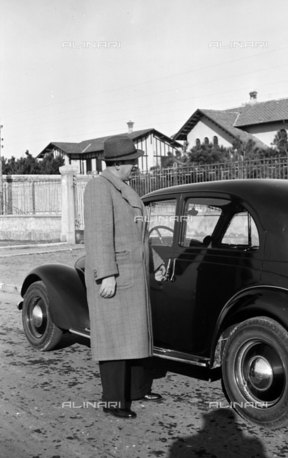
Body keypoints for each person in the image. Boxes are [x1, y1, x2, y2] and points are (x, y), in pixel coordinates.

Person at [84, 135, 165, 419]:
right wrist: (106, 274)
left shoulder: (121, 187)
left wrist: (154, 262)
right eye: (132, 161)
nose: (135, 166)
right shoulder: (99, 188)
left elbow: (139, 236)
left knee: (135, 334)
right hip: (115, 276)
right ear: (118, 163)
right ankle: (113, 400)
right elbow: (98, 236)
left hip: (133, 275)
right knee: (115, 339)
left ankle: (138, 389)